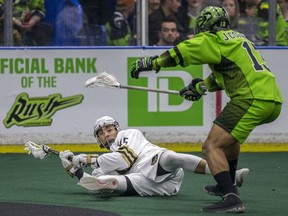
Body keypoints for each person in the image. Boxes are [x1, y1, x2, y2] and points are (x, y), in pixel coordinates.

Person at [130, 6, 283, 213]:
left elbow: (181, 51)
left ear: (206, 25)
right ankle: (227, 185)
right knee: (229, 142)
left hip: (250, 98)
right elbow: (223, 76)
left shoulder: (214, 39)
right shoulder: (238, 39)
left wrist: (151, 63)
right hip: (271, 100)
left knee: (211, 146)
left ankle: (230, 197)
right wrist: (199, 87)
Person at [59, 115, 249, 197]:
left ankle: (230, 177)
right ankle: (230, 177)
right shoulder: (102, 163)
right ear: (98, 139)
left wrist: (87, 159)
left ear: (117, 129)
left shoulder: (128, 134)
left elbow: (123, 159)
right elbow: (91, 184)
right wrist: (75, 169)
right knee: (104, 182)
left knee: (172, 158)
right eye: (102, 133)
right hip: (149, 184)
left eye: (109, 129)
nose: (107, 134)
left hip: (158, 165)